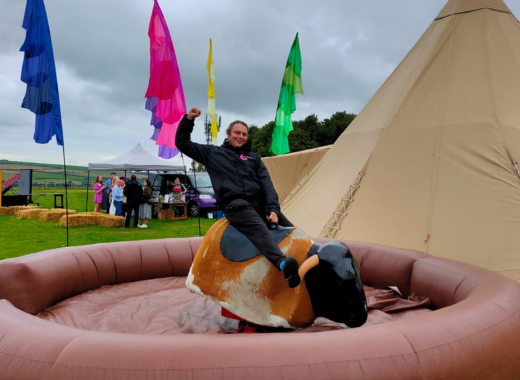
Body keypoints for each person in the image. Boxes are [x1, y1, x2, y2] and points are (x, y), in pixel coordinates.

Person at [176, 107, 301, 288]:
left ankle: (312, 263)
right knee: (258, 229)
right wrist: (188, 120)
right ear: (228, 133)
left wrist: (273, 209)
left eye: (244, 134)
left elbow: (268, 185)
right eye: (237, 133)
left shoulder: (254, 158)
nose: (240, 136)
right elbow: (182, 143)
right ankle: (283, 264)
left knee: (292, 229)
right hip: (236, 205)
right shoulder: (213, 153)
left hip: (259, 204)